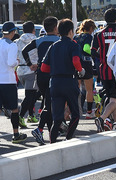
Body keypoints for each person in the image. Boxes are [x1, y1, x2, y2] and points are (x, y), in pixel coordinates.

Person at [39, 19, 85, 143]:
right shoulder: (73, 45)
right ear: (70, 31)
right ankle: (68, 138)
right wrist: (81, 70)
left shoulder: (53, 46)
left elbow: (44, 68)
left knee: (57, 118)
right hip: (69, 81)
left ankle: (52, 142)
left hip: (54, 83)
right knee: (75, 114)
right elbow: (76, 61)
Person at [23, 16, 61, 144]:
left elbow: (24, 51)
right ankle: (40, 129)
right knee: (49, 104)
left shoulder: (39, 40)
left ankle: (51, 135)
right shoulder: (59, 40)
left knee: (47, 102)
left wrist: (30, 64)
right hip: (53, 74)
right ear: (56, 27)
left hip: (40, 74)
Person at [1, 22, 27, 143]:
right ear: (12, 32)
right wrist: (17, 61)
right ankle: (16, 134)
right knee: (14, 109)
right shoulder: (12, 45)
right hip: (8, 81)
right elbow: (11, 63)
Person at [16, 21, 39, 126]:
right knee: (30, 95)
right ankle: (20, 117)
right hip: (31, 69)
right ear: (33, 29)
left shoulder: (17, 41)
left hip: (20, 70)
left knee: (32, 94)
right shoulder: (35, 40)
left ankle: (31, 115)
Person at [75, 19, 97, 119]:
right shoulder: (88, 36)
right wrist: (94, 54)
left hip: (76, 63)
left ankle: (73, 110)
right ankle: (89, 112)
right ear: (91, 28)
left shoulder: (76, 36)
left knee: (76, 89)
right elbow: (86, 48)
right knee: (89, 89)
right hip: (86, 63)